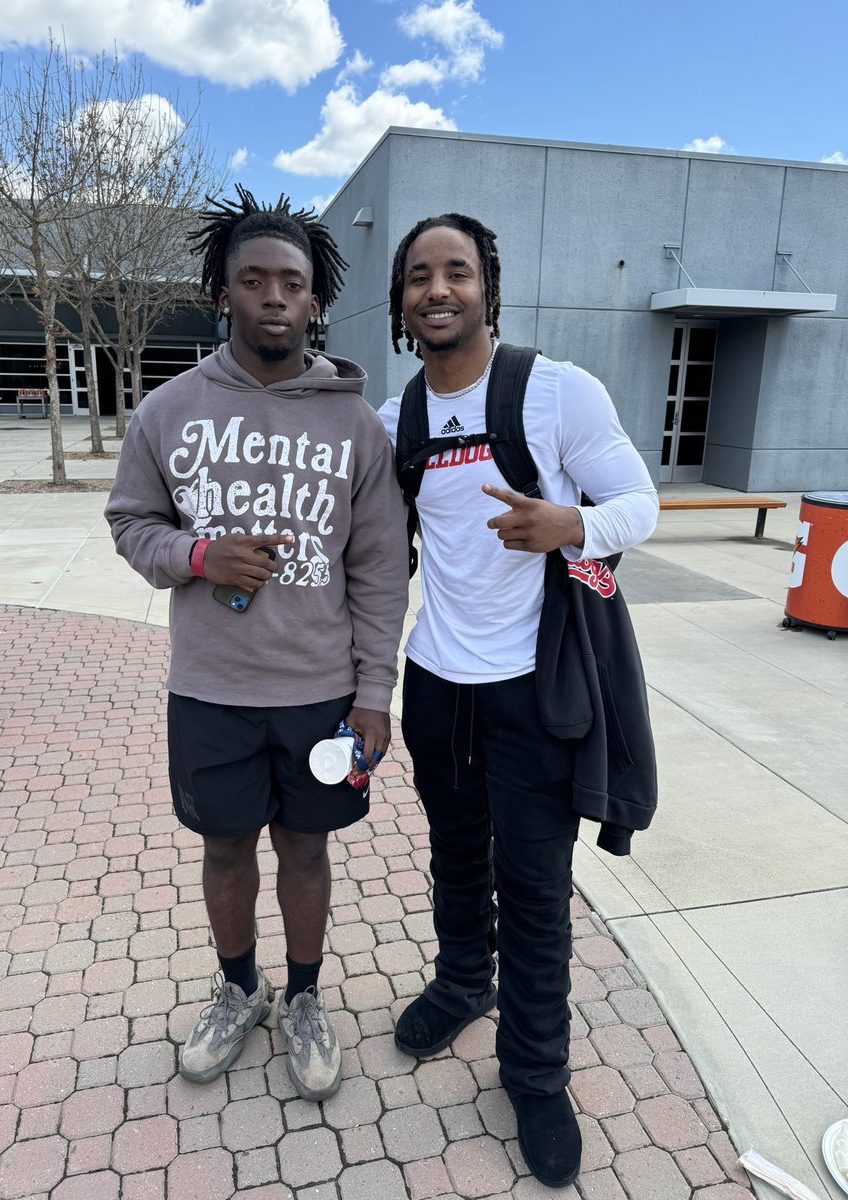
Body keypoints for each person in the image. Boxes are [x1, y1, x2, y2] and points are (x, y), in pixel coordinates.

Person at [105, 189, 408, 1102]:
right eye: (254, 280)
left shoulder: (354, 423)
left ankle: (306, 998)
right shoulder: (168, 411)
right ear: (224, 293)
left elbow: (381, 569)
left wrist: (373, 691)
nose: (275, 296)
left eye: (293, 283)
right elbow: (129, 524)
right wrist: (197, 555)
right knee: (226, 846)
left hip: (320, 694)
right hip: (210, 688)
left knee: (307, 849)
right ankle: (240, 990)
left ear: (316, 301)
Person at [377, 213, 658, 1187]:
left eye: (457, 271)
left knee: (534, 891)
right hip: (438, 688)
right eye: (419, 276)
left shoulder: (557, 392)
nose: (438, 289)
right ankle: (463, 983)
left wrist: (569, 522)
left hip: (535, 693)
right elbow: (362, 544)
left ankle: (535, 1073)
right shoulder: (396, 418)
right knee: (456, 856)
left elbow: (642, 501)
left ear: (487, 286)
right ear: (401, 300)